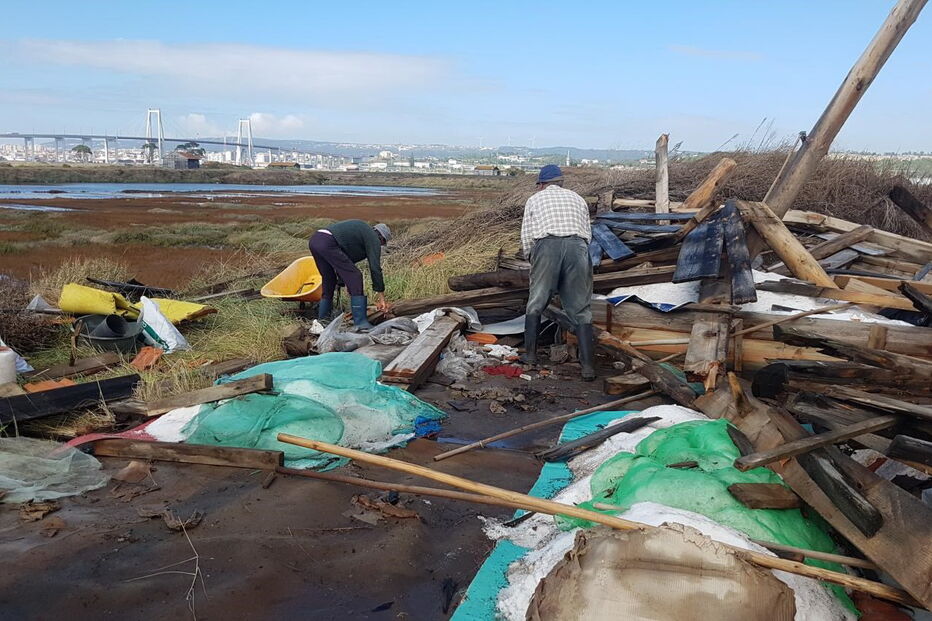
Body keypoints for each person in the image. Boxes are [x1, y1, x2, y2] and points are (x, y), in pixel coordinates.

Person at [519, 164, 596, 380]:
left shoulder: (535, 200)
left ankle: (531, 356)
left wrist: (533, 258)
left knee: (536, 301)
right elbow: (587, 234)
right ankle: (588, 367)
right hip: (577, 246)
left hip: (547, 245)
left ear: (542, 184)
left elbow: (527, 236)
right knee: (580, 307)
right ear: (560, 182)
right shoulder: (578, 199)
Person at [309, 220, 392, 330]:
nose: (379, 246)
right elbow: (375, 268)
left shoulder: (361, 233)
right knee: (356, 276)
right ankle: (361, 323)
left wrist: (346, 283)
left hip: (315, 240)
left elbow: (344, 263)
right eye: (381, 243)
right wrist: (381, 297)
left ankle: (322, 320)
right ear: (381, 238)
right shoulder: (372, 237)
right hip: (328, 242)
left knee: (329, 279)